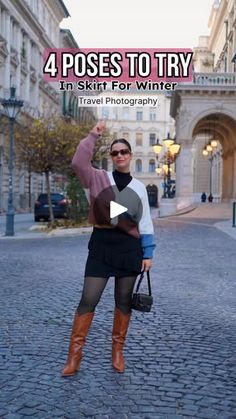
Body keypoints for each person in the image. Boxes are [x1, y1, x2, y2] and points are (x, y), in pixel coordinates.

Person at [61, 121, 156, 376]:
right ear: (111, 157)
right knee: (87, 300)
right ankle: (74, 357)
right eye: (115, 153)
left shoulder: (139, 188)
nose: (120, 156)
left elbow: (145, 221)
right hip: (102, 246)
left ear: (130, 156)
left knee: (123, 302)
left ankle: (117, 351)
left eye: (124, 152)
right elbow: (78, 163)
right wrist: (93, 135)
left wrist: (148, 253)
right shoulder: (97, 178)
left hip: (129, 248)